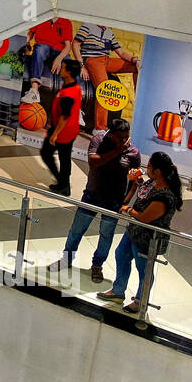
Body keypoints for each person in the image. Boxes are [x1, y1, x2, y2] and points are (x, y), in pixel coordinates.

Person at [55, 118, 141, 282]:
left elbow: (135, 178)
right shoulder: (98, 140)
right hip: (92, 195)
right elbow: (93, 162)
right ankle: (66, 259)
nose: (124, 141)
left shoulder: (133, 153)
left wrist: (126, 201)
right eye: (120, 137)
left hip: (114, 201)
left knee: (106, 235)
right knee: (77, 229)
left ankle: (97, 265)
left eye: (126, 137)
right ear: (110, 133)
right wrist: (117, 150)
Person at [98, 151, 183, 314]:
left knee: (144, 269)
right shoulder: (153, 183)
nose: (147, 168)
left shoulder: (165, 196)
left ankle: (140, 301)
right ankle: (118, 291)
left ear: (158, 171)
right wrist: (137, 183)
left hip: (148, 239)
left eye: (150, 166)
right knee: (121, 254)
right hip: (133, 231)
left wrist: (128, 210)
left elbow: (144, 218)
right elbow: (143, 198)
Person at [58, 23, 140, 132]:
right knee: (105, 89)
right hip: (92, 60)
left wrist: (136, 60)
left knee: (137, 66)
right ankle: (99, 129)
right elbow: (75, 44)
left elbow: (120, 52)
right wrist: (81, 65)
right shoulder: (87, 26)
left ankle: (138, 96)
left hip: (106, 60)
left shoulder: (109, 32)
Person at [41, 58, 83, 196]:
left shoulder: (68, 94)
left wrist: (55, 134)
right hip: (68, 129)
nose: (61, 69)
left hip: (63, 131)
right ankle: (64, 184)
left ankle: (63, 184)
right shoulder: (73, 86)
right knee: (64, 158)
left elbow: (65, 116)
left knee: (48, 154)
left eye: (63, 67)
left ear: (69, 72)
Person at [25, 17, 73, 90]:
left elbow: (68, 46)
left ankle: (69, 95)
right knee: (39, 49)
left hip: (59, 51)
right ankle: (34, 90)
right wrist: (27, 42)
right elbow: (30, 33)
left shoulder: (66, 22)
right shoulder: (41, 17)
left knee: (71, 64)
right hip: (42, 47)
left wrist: (59, 59)